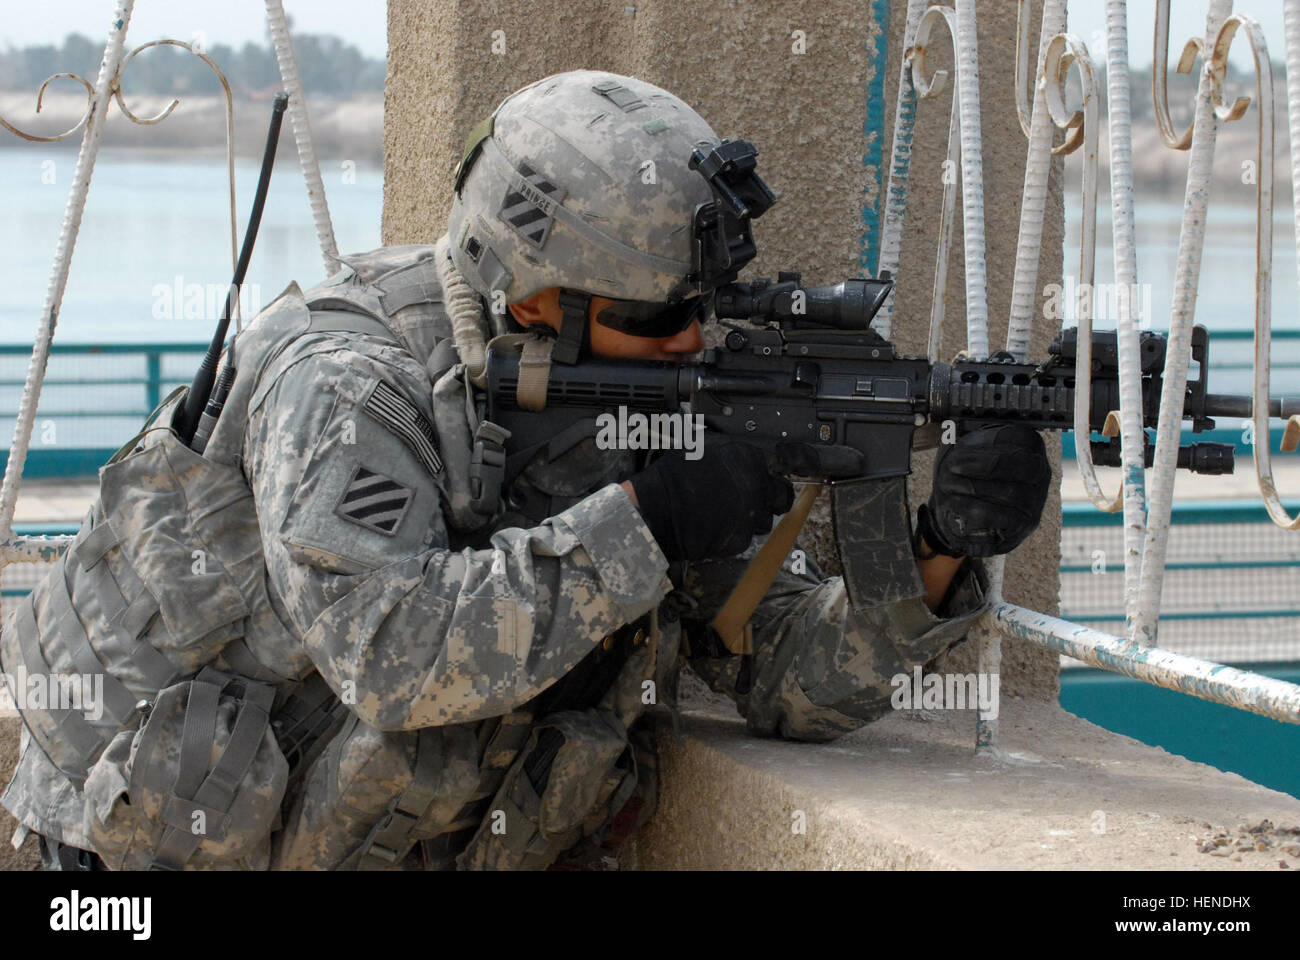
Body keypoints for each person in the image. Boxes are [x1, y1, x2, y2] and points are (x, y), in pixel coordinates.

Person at [0, 69, 1050, 871]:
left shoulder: (648, 397)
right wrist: (645, 521)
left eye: (708, 310)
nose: (699, 341)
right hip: (139, 853)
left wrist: (937, 553)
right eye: (662, 318)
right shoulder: (349, 383)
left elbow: (786, 684)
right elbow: (396, 656)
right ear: (535, 299)